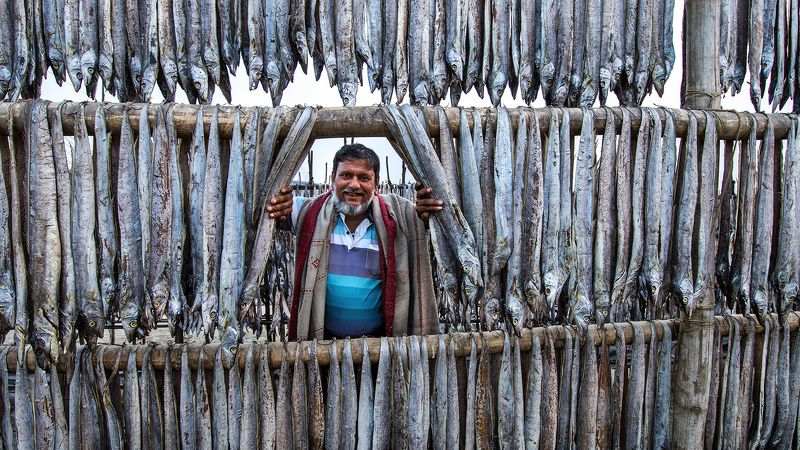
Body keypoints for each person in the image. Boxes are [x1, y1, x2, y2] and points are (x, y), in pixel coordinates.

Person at [266, 143, 444, 340]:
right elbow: (263, 211)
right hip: (322, 347)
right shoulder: (308, 212)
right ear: (332, 177)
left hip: (380, 348)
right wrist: (276, 202)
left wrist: (433, 216)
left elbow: (442, 223)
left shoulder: (401, 218)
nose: (354, 185)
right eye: (346, 175)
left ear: (376, 183)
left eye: (364, 178)